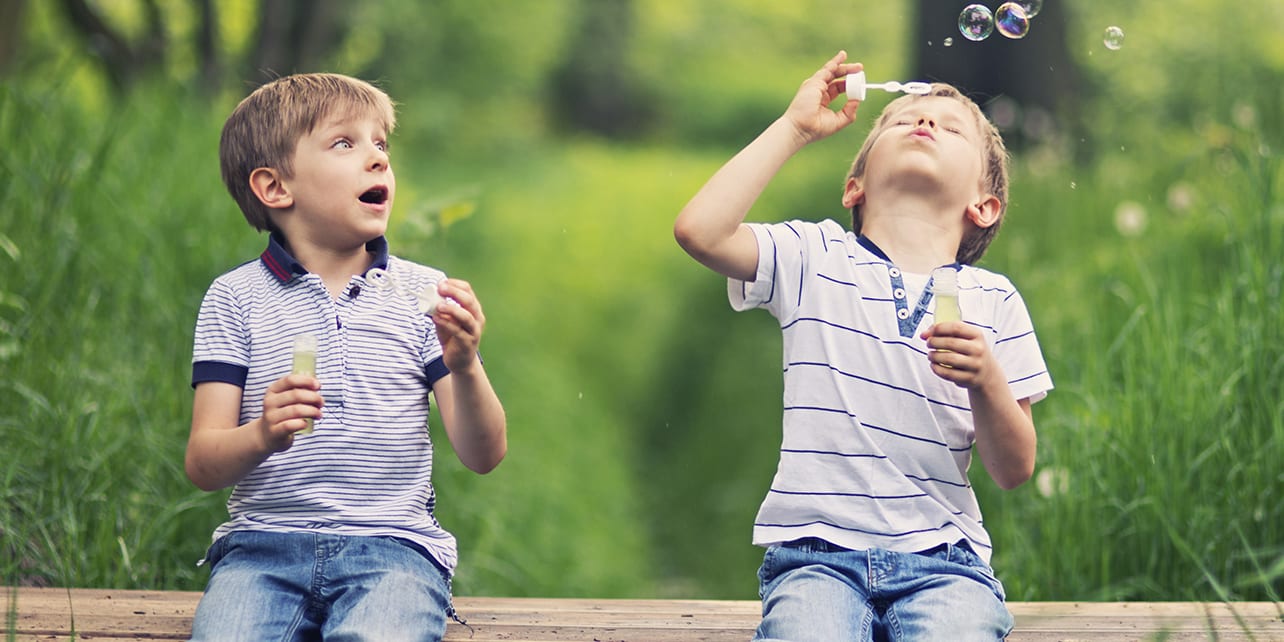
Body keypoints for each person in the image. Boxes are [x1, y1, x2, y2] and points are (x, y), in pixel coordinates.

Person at [673, 51, 1053, 641]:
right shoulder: (813, 258)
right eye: (902, 121)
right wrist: (795, 128)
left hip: (947, 567)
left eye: (951, 128)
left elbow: (1014, 468)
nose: (924, 123)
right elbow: (700, 231)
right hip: (815, 561)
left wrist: (987, 382)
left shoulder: (995, 300)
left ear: (984, 205)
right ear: (855, 186)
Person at [185, 72, 507, 641]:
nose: (378, 159)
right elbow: (204, 464)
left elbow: (484, 454)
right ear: (274, 188)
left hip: (393, 551)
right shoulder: (233, 300)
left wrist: (465, 365)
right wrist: (261, 433)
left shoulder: (422, 294)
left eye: (381, 144)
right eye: (345, 143)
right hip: (260, 552)